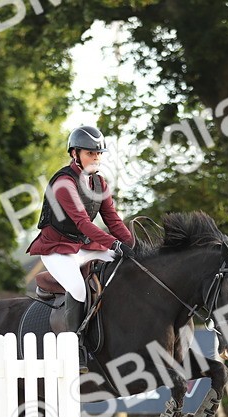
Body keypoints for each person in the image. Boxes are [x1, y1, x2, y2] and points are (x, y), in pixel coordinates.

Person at [27, 125, 134, 372]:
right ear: (74, 153)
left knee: (122, 262)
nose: (96, 157)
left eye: (98, 153)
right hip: (55, 248)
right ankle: (73, 348)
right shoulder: (64, 182)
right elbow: (82, 223)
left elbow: (114, 221)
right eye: (90, 153)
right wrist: (113, 242)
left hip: (81, 246)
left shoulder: (99, 183)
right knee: (77, 288)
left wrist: (132, 247)